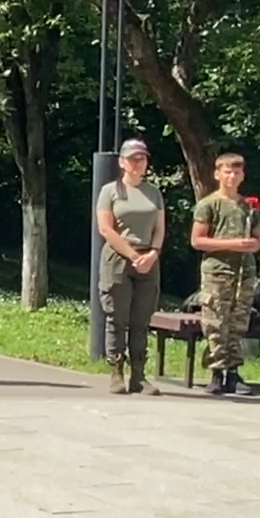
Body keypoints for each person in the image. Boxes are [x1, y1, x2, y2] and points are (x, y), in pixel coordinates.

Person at [95, 138, 166, 395]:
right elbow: (105, 228)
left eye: (143, 158)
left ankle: (139, 375)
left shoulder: (153, 192)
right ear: (122, 162)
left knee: (141, 319)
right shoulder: (110, 191)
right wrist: (132, 254)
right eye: (134, 158)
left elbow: (160, 228)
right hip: (118, 257)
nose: (139, 163)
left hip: (148, 259)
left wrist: (153, 253)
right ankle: (116, 371)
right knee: (117, 317)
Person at [190, 153, 260, 396]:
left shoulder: (248, 206)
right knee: (215, 321)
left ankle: (233, 371)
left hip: (244, 271)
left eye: (236, 172)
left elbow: (257, 240)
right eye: (227, 171)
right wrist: (234, 244)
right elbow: (198, 240)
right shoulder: (209, 204)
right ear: (217, 174)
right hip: (217, 271)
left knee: (238, 321)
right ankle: (216, 371)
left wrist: (252, 245)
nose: (232, 176)